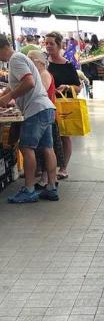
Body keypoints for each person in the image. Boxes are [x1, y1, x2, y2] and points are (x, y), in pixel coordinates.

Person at [0, 34, 58, 203]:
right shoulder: (19, 59)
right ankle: (51, 187)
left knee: (26, 148)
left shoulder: (15, 60)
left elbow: (29, 82)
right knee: (47, 147)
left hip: (36, 110)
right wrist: (4, 97)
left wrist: (7, 97)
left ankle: (29, 189)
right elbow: (14, 85)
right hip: (45, 108)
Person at [45, 30, 81, 179]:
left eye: (51, 44)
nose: (48, 46)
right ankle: (47, 168)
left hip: (63, 106)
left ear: (59, 46)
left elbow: (78, 87)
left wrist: (66, 86)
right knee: (48, 137)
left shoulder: (68, 66)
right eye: (46, 43)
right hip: (47, 104)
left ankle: (63, 168)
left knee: (64, 136)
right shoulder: (44, 63)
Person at [27, 49, 65, 187]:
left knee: (46, 148)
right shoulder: (42, 74)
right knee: (46, 148)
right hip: (46, 113)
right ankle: (49, 180)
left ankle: (48, 179)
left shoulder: (43, 74)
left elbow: (38, 92)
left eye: (30, 60)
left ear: (38, 62)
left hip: (44, 113)